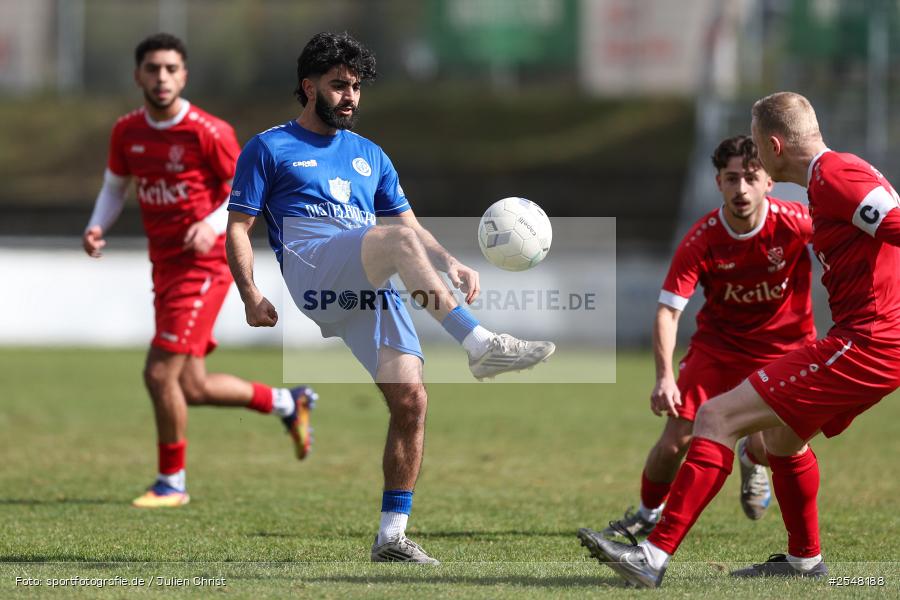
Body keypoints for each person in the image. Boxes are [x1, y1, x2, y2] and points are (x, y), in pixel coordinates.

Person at [226, 31, 555, 563]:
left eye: (356, 86)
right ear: (308, 87)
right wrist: (249, 292)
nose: (350, 96)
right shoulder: (268, 148)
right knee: (393, 244)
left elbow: (407, 225)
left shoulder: (370, 155)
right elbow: (238, 227)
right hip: (316, 268)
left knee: (411, 402)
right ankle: (479, 344)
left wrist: (448, 261)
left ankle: (391, 537)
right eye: (338, 85)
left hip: (367, 276)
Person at [580, 91, 900, 587]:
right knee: (781, 440)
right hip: (869, 340)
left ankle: (652, 555)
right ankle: (804, 562)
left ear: (773, 146)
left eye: (755, 146)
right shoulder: (832, 177)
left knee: (716, 416)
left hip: (868, 342)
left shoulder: (835, 175)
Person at [83, 33, 316, 509]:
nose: (162, 77)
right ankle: (288, 403)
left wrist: (211, 224)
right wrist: (95, 226)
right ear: (138, 76)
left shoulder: (209, 131)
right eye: (153, 69)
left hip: (205, 267)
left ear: (184, 75)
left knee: (158, 373)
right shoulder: (127, 131)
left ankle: (172, 482)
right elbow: (115, 186)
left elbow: (245, 188)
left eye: (171, 69)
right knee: (189, 384)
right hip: (164, 266)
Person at [587, 135, 816, 542]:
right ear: (718, 183)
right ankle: (646, 514)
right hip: (720, 348)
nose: (741, 189)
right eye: (731, 179)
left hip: (786, 351)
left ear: (769, 182)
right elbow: (668, 311)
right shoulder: (702, 238)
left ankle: (750, 454)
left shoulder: (798, 223)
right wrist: (664, 378)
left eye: (750, 177)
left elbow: (849, 241)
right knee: (676, 439)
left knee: (773, 447)